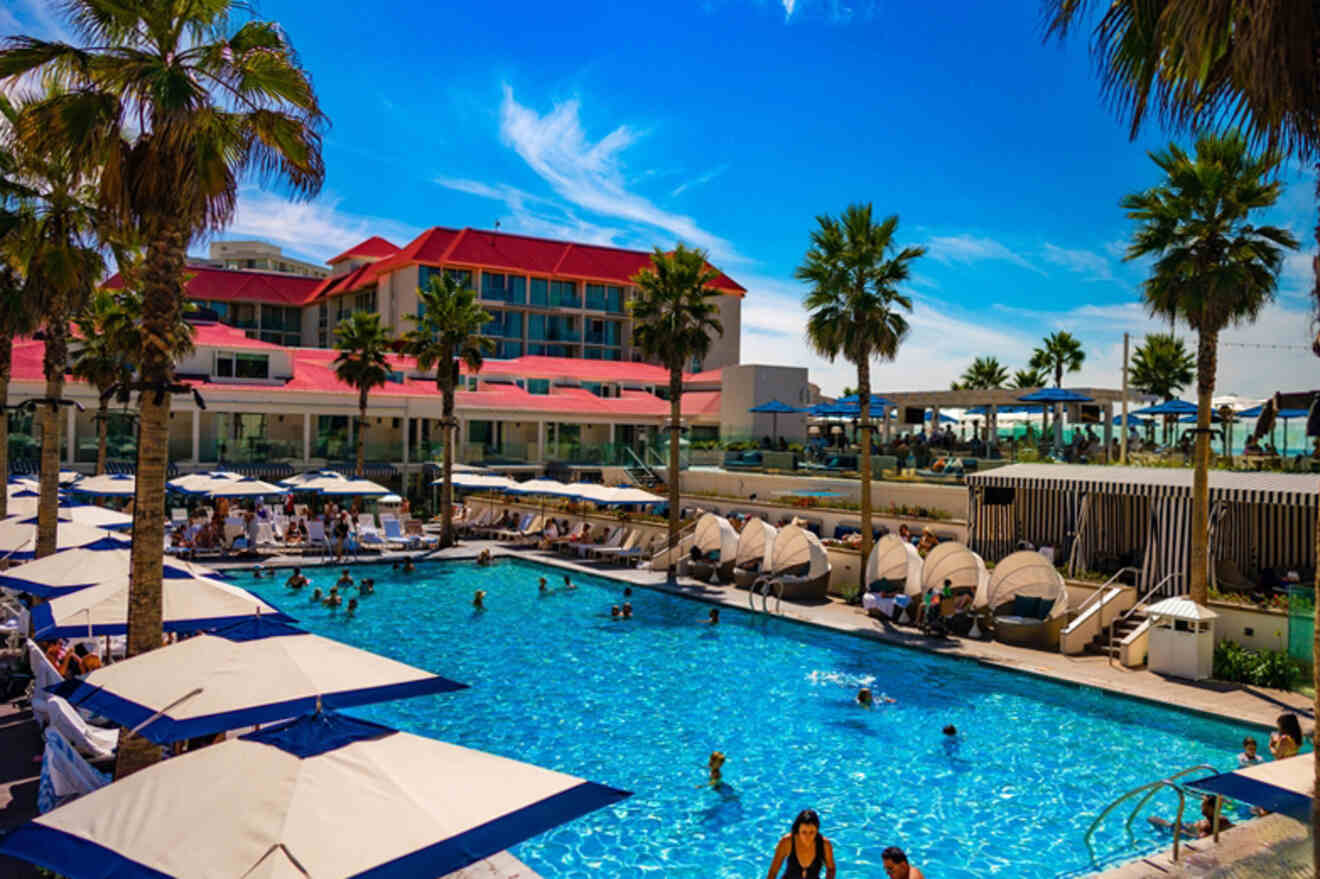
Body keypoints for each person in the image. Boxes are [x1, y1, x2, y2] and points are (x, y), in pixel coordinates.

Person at [766, 809, 835, 879]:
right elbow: (773, 871)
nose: (808, 837)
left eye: (812, 832)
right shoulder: (787, 842)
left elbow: (831, 869)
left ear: (817, 830)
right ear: (798, 830)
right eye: (804, 832)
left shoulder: (824, 845)